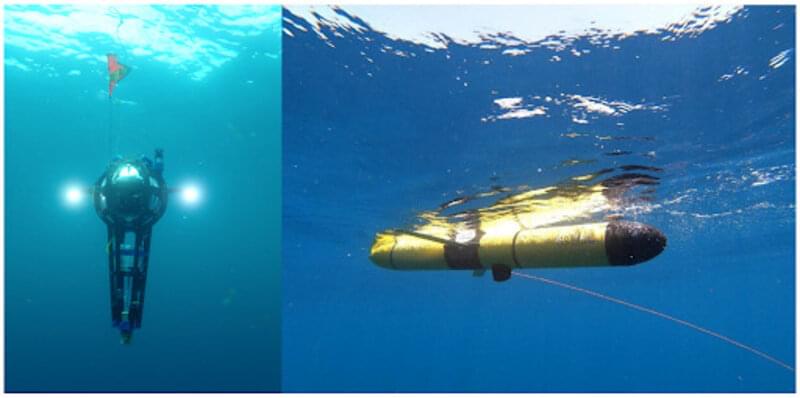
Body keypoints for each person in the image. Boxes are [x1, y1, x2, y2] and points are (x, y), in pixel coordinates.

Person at [93, 149, 168, 344]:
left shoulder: (115, 179)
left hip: (125, 216)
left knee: (127, 265)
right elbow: (159, 188)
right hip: (136, 217)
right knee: (130, 266)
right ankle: (126, 316)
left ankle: (126, 317)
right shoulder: (148, 181)